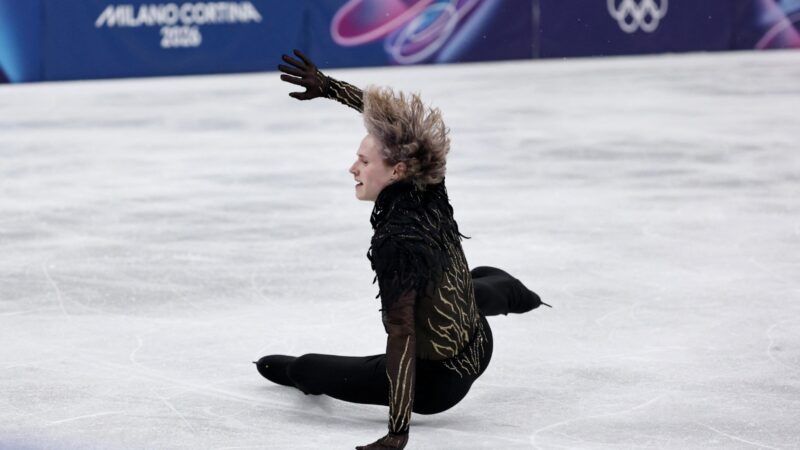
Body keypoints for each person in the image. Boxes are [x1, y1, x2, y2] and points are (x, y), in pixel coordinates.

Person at [256, 49, 550, 450]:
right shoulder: (427, 181)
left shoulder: (396, 241)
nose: (352, 168)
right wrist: (329, 88)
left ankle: (302, 374)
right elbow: (402, 132)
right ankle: (520, 295)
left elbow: (402, 338)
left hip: (438, 385)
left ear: (396, 170)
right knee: (472, 280)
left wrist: (398, 431)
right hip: (481, 342)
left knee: (306, 367)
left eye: (363, 160)